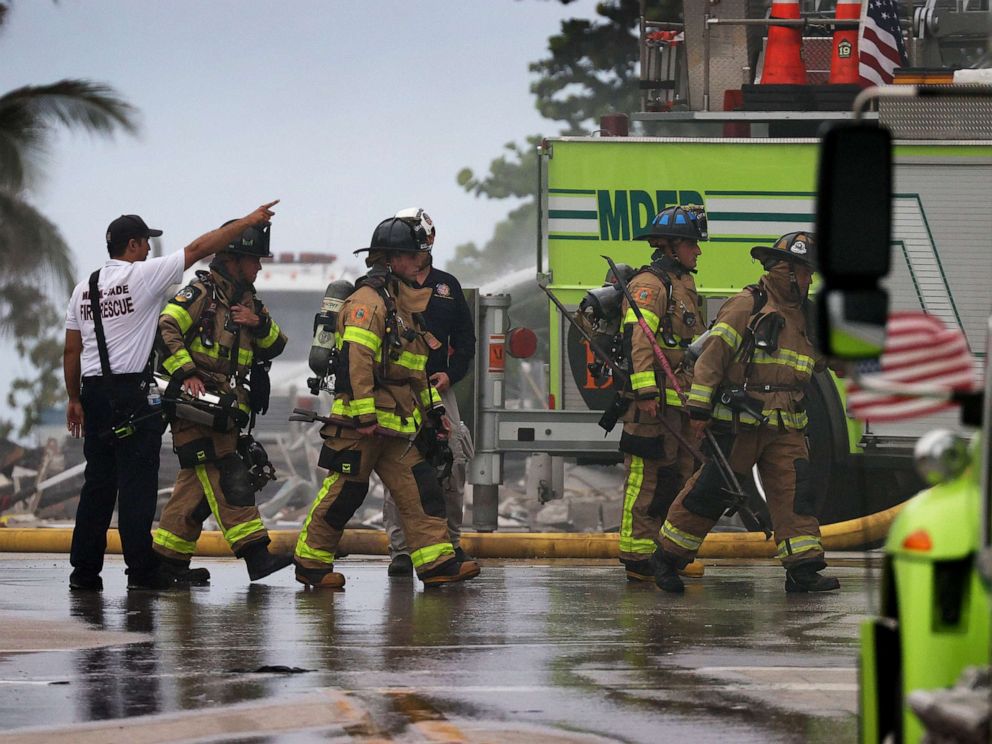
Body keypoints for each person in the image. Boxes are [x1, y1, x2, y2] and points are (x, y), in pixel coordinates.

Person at [63, 200, 279, 592]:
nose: (149, 250)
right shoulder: (143, 277)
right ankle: (143, 573)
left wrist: (73, 399)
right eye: (145, 243)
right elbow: (199, 249)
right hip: (131, 394)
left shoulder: (85, 288)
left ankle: (84, 574)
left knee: (96, 488)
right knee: (136, 489)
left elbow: (71, 351)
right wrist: (246, 221)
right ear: (132, 246)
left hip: (93, 394)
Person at [293, 216, 481, 589]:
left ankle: (436, 563)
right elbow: (357, 362)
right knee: (345, 494)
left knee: (420, 488)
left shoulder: (401, 304)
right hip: (361, 427)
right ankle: (310, 564)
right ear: (393, 259)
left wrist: (435, 411)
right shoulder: (367, 304)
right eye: (413, 256)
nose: (419, 263)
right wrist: (364, 416)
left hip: (396, 426)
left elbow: (415, 368)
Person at [654, 232, 840, 594]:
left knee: (795, 494)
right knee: (711, 492)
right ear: (785, 270)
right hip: (742, 422)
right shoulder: (746, 305)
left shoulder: (806, 317)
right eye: (804, 273)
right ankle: (667, 557)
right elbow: (713, 359)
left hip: (786, 425)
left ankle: (802, 569)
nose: (809, 280)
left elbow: (825, 360)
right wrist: (699, 410)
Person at [152, 220, 291, 584]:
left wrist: (257, 322)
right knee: (229, 476)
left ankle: (167, 564)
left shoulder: (247, 302)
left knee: (194, 492)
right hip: (196, 408)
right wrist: (187, 374)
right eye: (255, 260)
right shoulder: (200, 294)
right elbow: (166, 327)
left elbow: (277, 344)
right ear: (234, 259)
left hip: (226, 411)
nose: (260, 267)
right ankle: (257, 556)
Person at [381, 208, 476, 577]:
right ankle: (401, 551)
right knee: (399, 465)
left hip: (438, 389)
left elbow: (466, 343)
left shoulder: (447, 287)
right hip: (399, 391)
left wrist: (449, 377)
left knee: (453, 464)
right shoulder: (384, 288)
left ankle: (451, 544)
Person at [616, 205, 706, 583]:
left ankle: (663, 551)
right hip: (652, 404)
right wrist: (646, 391)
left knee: (677, 475)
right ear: (671, 247)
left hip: (679, 399)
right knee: (646, 478)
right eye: (692, 245)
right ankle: (637, 556)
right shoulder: (650, 285)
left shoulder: (683, 283)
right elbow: (640, 340)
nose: (698, 252)